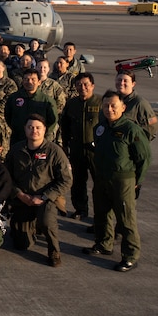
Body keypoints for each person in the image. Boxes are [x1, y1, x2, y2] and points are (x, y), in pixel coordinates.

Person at [84, 91, 152, 272]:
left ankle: (130, 256)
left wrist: (138, 181)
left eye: (114, 105)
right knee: (102, 213)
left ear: (123, 107)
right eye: (106, 105)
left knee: (126, 219)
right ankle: (104, 244)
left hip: (123, 180)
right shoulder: (101, 128)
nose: (109, 109)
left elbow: (144, 157)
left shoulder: (131, 129)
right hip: (102, 178)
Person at [5, 116, 72, 267]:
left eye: (38, 127)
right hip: (23, 199)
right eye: (30, 127)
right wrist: (19, 194)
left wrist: (44, 196)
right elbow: (6, 177)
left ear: (44, 130)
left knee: (47, 222)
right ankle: (31, 226)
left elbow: (66, 180)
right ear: (25, 129)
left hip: (45, 199)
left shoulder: (55, 152)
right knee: (21, 244)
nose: (34, 130)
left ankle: (53, 251)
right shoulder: (17, 149)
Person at [60, 72, 101, 218]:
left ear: (92, 86)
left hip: (96, 151)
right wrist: (65, 145)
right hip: (77, 148)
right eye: (79, 85)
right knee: (77, 181)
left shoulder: (100, 103)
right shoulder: (72, 104)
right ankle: (80, 209)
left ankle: (100, 214)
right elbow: (64, 126)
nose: (82, 87)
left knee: (100, 183)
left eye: (86, 84)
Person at [115, 70, 158, 140]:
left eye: (125, 81)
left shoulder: (140, 103)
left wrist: (136, 140)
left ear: (133, 84)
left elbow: (152, 127)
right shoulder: (111, 101)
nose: (121, 83)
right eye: (119, 80)